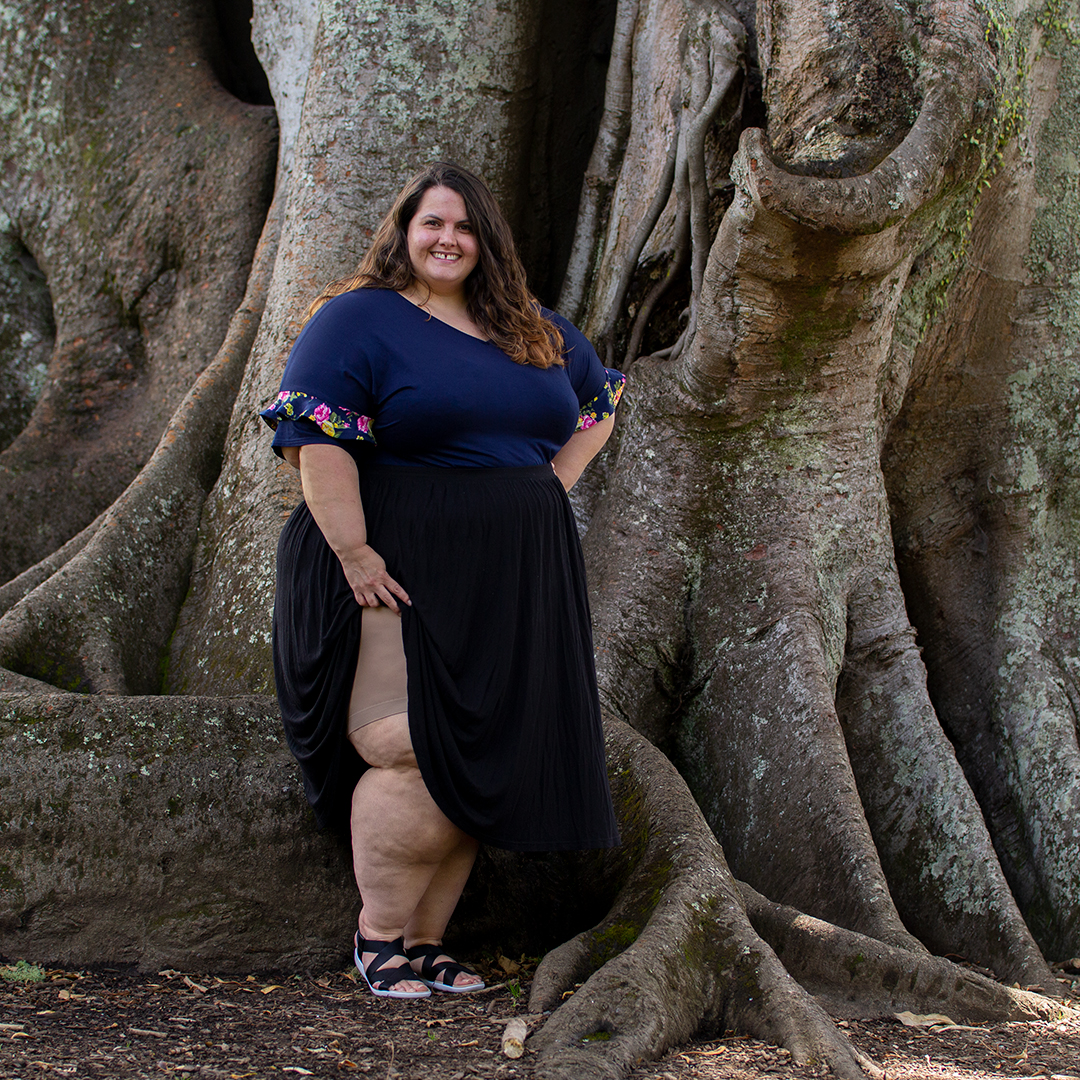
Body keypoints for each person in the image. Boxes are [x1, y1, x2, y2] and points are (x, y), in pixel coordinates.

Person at [260, 162, 623, 1000]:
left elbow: (597, 408)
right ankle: (378, 938)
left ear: (487, 240)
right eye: (432, 224)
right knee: (407, 742)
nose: (448, 239)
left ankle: (426, 942)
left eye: (464, 227)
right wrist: (353, 552)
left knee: (479, 744)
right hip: (390, 564)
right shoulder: (358, 320)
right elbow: (316, 439)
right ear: (404, 232)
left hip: (510, 576)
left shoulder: (536, 331)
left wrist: (544, 487)